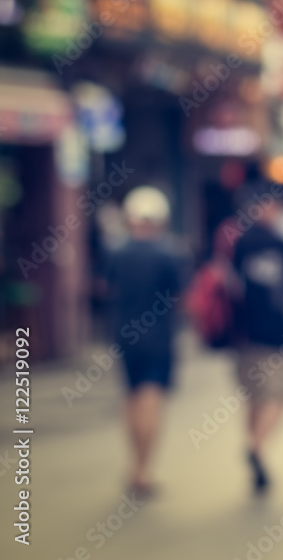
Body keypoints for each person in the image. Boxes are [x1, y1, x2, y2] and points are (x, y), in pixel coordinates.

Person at [105, 186, 184, 497]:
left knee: (131, 398)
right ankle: (144, 469)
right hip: (159, 338)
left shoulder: (117, 252)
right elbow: (181, 295)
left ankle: (133, 465)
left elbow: (103, 288)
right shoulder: (170, 253)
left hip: (123, 335)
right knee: (151, 399)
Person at [231, 185, 283, 495]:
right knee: (279, 398)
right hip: (275, 334)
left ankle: (253, 445)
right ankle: (256, 447)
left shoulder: (238, 243)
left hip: (242, 335)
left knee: (254, 397)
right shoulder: (279, 242)